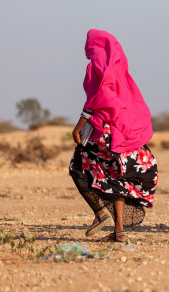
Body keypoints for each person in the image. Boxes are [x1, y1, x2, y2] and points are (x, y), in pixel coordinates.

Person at [69, 29, 158, 242]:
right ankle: (119, 232)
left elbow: (100, 98)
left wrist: (79, 125)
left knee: (78, 167)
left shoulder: (95, 66)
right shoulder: (120, 69)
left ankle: (100, 213)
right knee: (116, 177)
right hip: (123, 131)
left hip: (103, 130)